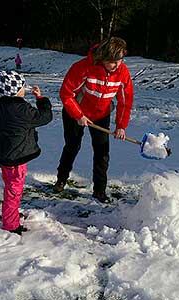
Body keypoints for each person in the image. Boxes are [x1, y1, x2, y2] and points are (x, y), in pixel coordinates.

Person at [53, 37, 134, 203]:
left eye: (120, 59)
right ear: (103, 58)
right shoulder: (83, 67)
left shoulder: (122, 72)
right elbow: (66, 94)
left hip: (101, 114)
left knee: (102, 152)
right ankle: (61, 179)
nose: (117, 64)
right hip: (75, 112)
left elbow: (125, 101)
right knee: (72, 146)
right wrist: (78, 115)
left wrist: (121, 126)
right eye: (113, 61)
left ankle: (99, 190)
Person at [0, 70, 52, 235]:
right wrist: (41, 99)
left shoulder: (0, 108)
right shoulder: (21, 109)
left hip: (5, 154)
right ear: (15, 90)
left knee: (11, 187)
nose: (25, 89)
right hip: (16, 158)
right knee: (14, 190)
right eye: (22, 87)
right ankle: (11, 224)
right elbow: (45, 117)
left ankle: (9, 213)